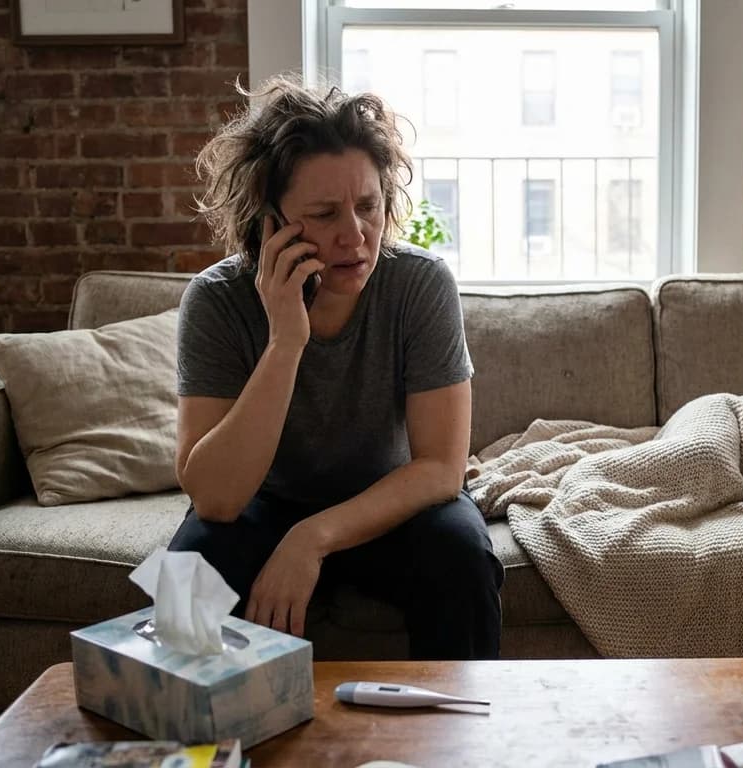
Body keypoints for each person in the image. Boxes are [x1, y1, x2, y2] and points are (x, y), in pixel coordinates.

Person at [169, 75, 503, 660]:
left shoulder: (419, 285)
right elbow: (216, 499)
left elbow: (441, 470)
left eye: (369, 206)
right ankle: (192, 747)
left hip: (391, 504)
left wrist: (312, 539)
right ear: (269, 221)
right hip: (261, 504)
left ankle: (456, 744)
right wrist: (286, 341)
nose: (356, 237)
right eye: (324, 214)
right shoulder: (217, 300)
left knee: (463, 555)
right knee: (187, 578)